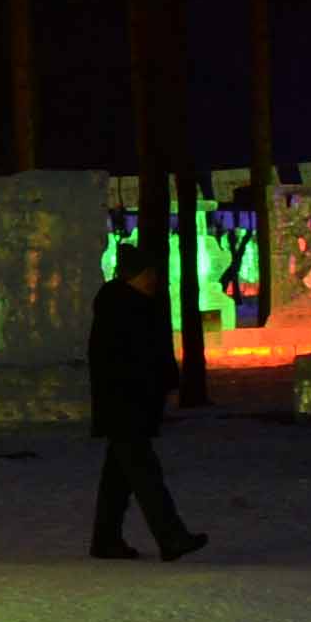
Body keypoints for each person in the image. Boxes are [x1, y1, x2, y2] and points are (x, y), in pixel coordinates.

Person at [87, 239, 207, 563]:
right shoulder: (124, 308)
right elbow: (131, 360)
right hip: (127, 405)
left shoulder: (128, 305)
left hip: (127, 405)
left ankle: (106, 539)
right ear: (135, 275)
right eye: (150, 273)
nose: (155, 279)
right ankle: (171, 536)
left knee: (119, 477)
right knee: (144, 474)